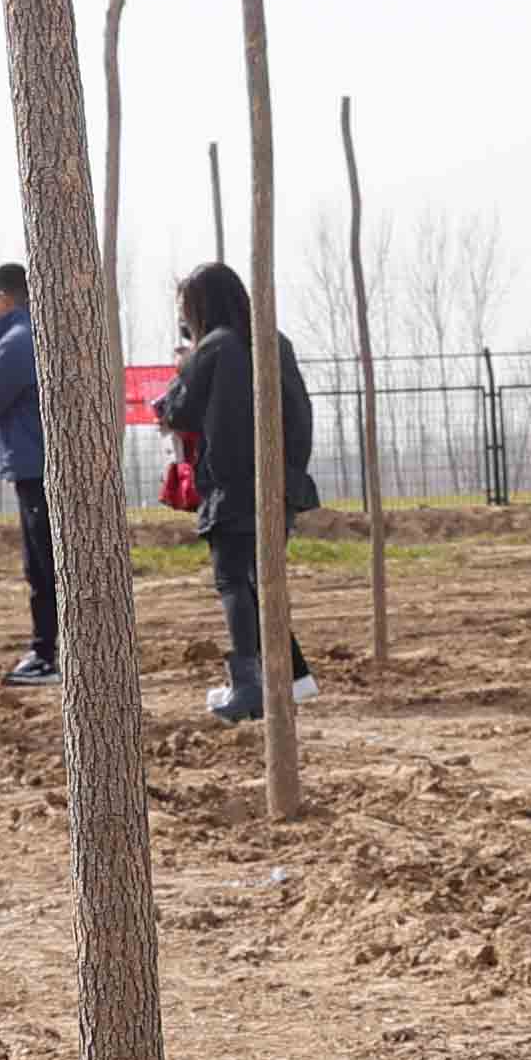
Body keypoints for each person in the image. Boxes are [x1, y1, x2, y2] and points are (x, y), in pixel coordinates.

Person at [155, 261, 318, 721]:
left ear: (199, 306)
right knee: (260, 581)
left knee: (233, 580)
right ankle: (294, 677)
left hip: (233, 485)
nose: (183, 317)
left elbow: (179, 412)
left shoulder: (214, 347)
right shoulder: (273, 341)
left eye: (185, 307)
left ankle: (249, 687)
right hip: (281, 479)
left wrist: (182, 370)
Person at [0, 262, 55, 682]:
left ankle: (48, 653)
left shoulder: (17, 342)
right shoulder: (41, 335)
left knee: (41, 567)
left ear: (4, 298)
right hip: (46, 463)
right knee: (49, 562)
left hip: (33, 466)